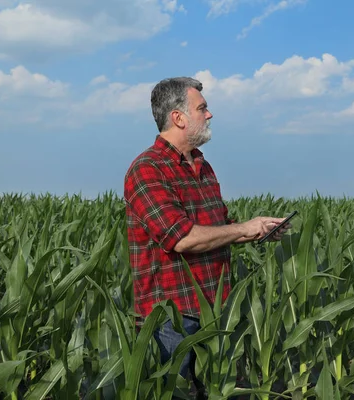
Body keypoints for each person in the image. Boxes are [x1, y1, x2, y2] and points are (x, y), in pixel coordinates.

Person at [123, 77, 289, 398]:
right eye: (202, 108)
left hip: (213, 312)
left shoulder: (202, 165)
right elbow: (180, 238)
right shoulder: (147, 169)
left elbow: (219, 229)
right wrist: (244, 228)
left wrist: (259, 230)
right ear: (178, 118)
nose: (209, 114)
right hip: (172, 320)